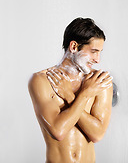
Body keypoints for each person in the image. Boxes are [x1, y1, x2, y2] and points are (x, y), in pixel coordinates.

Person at [28, 17, 113, 163]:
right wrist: (85, 95)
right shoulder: (41, 80)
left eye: (100, 52)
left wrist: (70, 95)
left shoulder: (99, 82)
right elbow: (58, 131)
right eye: (93, 51)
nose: (98, 59)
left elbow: (97, 135)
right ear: (73, 47)